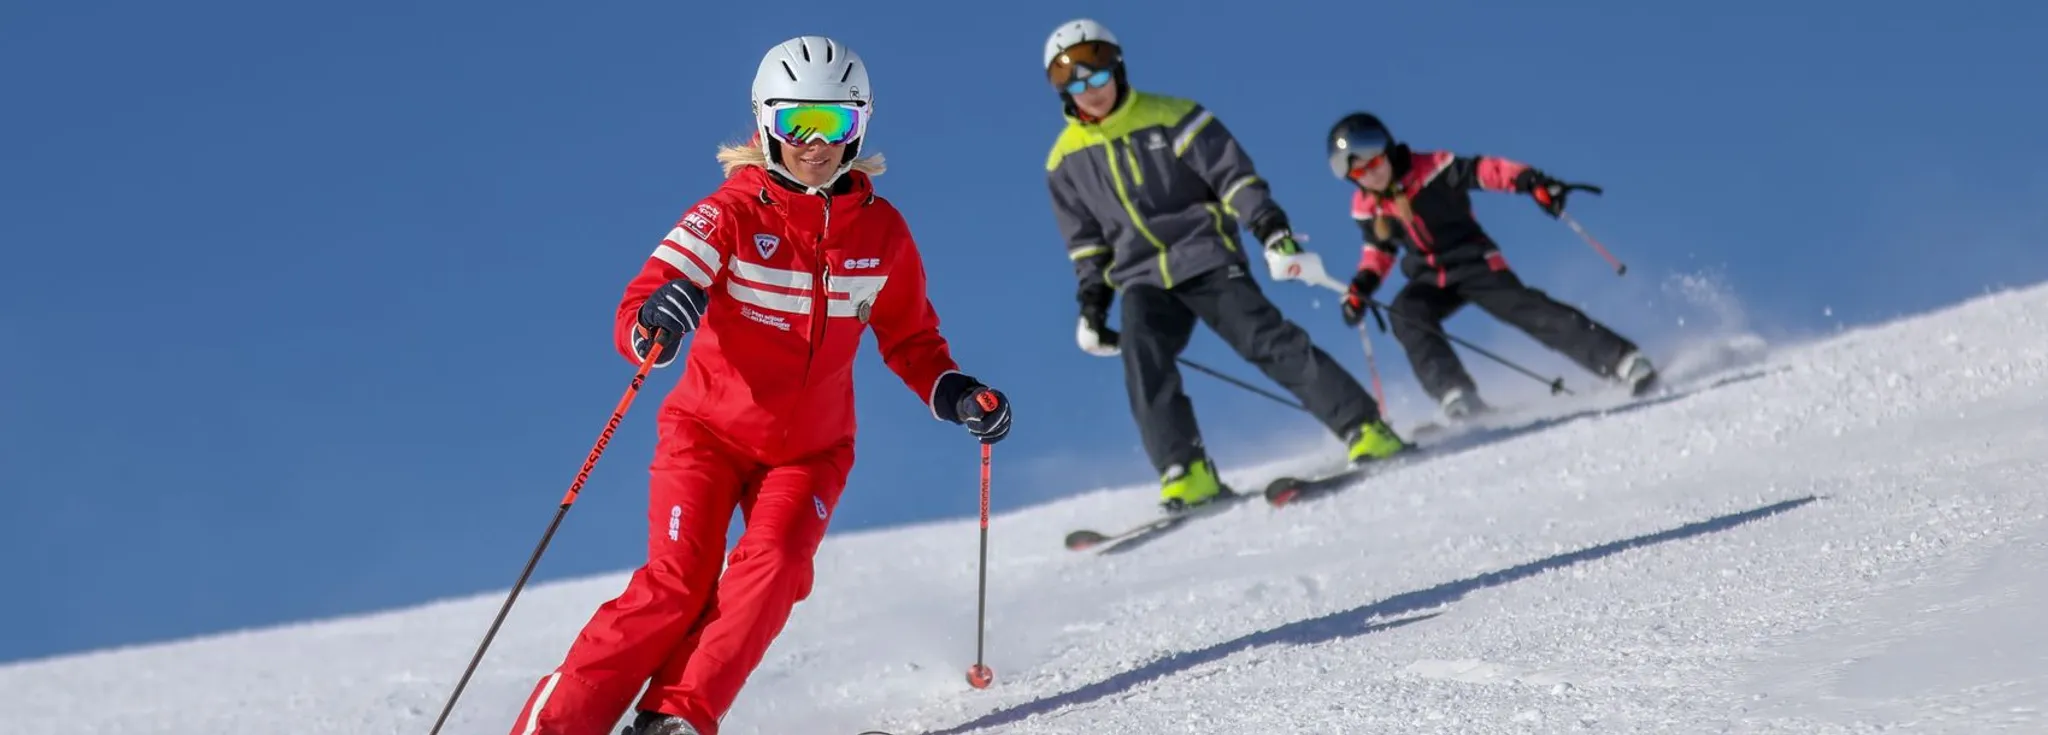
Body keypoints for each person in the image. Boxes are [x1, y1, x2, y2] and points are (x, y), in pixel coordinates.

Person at [507, 35, 1012, 735]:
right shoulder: (729, 213)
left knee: (773, 567)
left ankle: (673, 717)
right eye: (796, 122)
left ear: (859, 126)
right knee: (677, 583)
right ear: (765, 124)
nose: (816, 142)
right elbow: (641, 306)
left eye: (835, 123)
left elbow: (912, 340)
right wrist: (657, 319)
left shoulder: (883, 233)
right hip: (706, 434)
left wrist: (954, 390)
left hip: (810, 449)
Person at [1040, 18, 1407, 512]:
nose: (1090, 89)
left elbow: (1234, 179)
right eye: (1073, 81)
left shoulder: (1173, 116)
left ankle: (1365, 427)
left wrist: (1271, 232)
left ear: (1118, 67)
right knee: (1143, 357)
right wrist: (1092, 306)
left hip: (1204, 254)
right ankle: (1185, 470)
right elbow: (1086, 243)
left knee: (1264, 338)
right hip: (1141, 277)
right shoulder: (1063, 161)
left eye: (1097, 73)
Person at [1324, 111, 1658, 423]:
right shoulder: (1367, 206)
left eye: (1375, 161)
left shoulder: (1433, 169)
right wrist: (1362, 286)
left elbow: (1487, 171)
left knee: (1525, 308)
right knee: (1405, 312)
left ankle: (1622, 361)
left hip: (1473, 262)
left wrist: (1533, 182)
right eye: (1358, 171)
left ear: (1388, 150)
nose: (1370, 173)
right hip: (1428, 277)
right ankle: (1457, 396)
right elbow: (1378, 251)